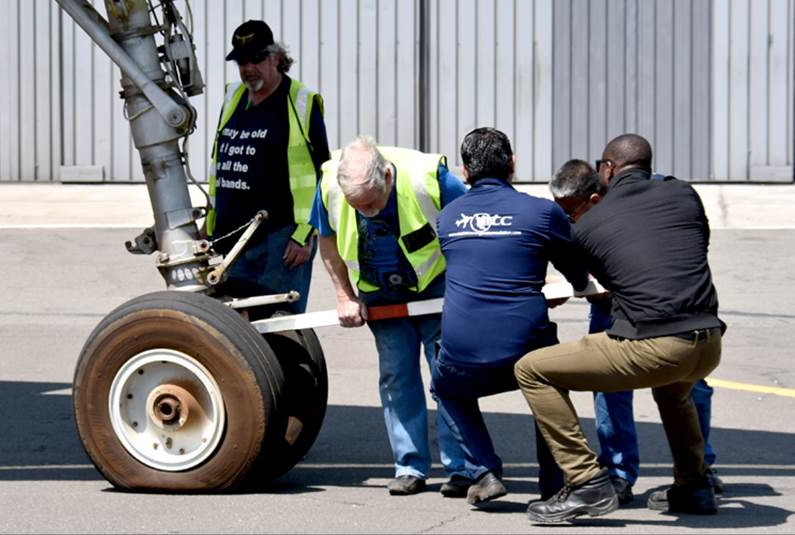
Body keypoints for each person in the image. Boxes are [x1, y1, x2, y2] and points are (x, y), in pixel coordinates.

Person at [515, 134, 726, 523]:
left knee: (532, 369)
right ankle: (694, 487)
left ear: (608, 169)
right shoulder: (684, 193)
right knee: (674, 393)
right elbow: (692, 248)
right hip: (708, 342)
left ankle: (585, 483)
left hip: (659, 344)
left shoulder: (591, 224)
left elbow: (602, 283)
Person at [430, 128, 590, 506]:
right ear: (513, 164)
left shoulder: (449, 217)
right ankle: (554, 483)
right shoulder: (542, 212)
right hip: (524, 348)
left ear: (464, 172)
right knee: (548, 387)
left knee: (446, 387)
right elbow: (578, 276)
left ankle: (484, 471)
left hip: (463, 353)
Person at [310, 136, 473, 495]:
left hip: (437, 285)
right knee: (397, 376)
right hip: (380, 290)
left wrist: (468, 290)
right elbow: (327, 240)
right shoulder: (330, 186)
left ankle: (461, 467)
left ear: (386, 175)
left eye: (372, 203)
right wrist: (344, 296)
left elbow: (470, 229)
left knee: (447, 374)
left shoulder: (430, 178)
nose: (367, 212)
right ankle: (410, 466)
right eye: (359, 207)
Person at [206, 20, 329, 314]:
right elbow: (221, 163)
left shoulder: (300, 101)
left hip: (281, 240)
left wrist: (305, 235)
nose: (248, 69)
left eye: (256, 60)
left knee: (279, 324)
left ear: (276, 58)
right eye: (241, 62)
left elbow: (323, 173)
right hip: (233, 239)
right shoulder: (232, 97)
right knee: (238, 328)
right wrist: (210, 222)